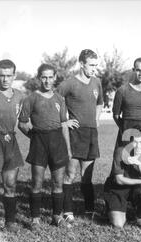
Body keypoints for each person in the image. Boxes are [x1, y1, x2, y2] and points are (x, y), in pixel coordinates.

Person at [18, 64, 71, 230]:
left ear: (55, 77)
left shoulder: (59, 99)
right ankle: (35, 219)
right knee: (37, 183)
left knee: (58, 183)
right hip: (39, 142)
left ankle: (57, 216)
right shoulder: (31, 98)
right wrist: (34, 137)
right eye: (44, 77)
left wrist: (68, 149)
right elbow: (22, 123)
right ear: (39, 78)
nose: (47, 81)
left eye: (50, 77)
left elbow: (63, 125)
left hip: (57, 142)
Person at [57, 49, 104, 221]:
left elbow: (100, 103)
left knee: (87, 175)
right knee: (70, 173)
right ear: (81, 64)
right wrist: (64, 121)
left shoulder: (97, 82)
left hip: (91, 133)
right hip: (75, 133)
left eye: (95, 65)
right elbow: (54, 101)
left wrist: (97, 119)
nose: (94, 68)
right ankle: (68, 211)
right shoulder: (69, 83)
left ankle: (89, 210)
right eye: (91, 65)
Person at [0, 59, 25, 236]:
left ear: (14, 76)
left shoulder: (19, 95)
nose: (5, 79)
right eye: (2, 75)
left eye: (9, 75)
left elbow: (24, 119)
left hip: (11, 141)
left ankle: (10, 222)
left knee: (10, 184)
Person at [103, 126, 141, 229]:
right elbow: (119, 180)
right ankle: (110, 208)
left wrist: (139, 164)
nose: (139, 146)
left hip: (135, 187)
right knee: (118, 224)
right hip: (118, 189)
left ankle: (139, 217)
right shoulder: (121, 151)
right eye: (135, 142)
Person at [112, 57, 141, 146]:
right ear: (133, 70)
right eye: (138, 70)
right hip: (127, 129)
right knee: (123, 158)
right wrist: (124, 128)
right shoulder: (122, 91)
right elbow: (116, 115)